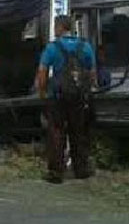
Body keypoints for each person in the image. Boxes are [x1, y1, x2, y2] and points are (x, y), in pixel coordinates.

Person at [36, 15, 96, 184]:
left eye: (56, 27)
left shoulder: (52, 48)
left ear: (60, 27)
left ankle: (56, 172)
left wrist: (42, 91)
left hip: (58, 96)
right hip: (78, 97)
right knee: (78, 132)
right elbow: (92, 73)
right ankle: (81, 169)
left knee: (56, 132)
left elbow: (42, 72)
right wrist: (89, 90)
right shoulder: (85, 46)